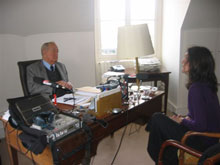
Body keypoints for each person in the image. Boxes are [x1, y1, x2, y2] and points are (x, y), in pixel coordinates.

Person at [146, 46, 220, 164]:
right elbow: (201, 117)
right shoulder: (207, 84)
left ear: (196, 63)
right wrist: (185, 118)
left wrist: (182, 121)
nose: (182, 61)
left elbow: (200, 126)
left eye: (186, 58)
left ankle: (161, 159)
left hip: (201, 141)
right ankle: (168, 157)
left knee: (157, 118)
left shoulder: (196, 88)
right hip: (212, 140)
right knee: (161, 123)